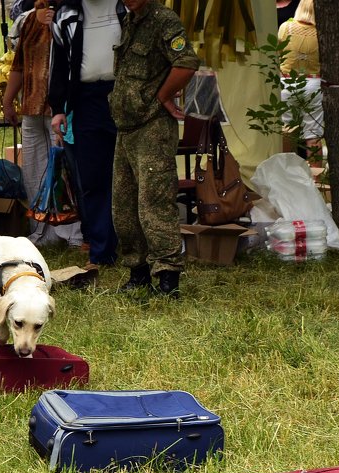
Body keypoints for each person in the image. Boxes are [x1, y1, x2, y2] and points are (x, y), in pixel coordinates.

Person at [110, 0, 199, 298]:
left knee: (154, 204)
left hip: (152, 126)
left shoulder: (164, 20)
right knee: (123, 207)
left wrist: (163, 96)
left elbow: (186, 62)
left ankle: (167, 277)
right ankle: (138, 272)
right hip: (127, 127)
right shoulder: (130, 20)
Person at [49, 0, 126, 277]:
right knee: (93, 179)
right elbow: (57, 64)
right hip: (86, 100)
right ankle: (102, 251)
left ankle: (134, 247)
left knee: (129, 175)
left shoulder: (125, 7)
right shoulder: (66, 15)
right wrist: (58, 108)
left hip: (124, 95)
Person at [3, 0, 84, 247]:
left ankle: (71, 233)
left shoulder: (69, 16)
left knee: (62, 170)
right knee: (34, 170)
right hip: (31, 107)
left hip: (58, 109)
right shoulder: (27, 20)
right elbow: (19, 64)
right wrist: (8, 100)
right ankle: (41, 231)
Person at [279, 0, 323, 165]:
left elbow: (277, 53)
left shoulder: (286, 27)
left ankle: (285, 171)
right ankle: (316, 177)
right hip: (314, 83)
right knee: (313, 133)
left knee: (286, 131)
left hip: (287, 82)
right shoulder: (321, 33)